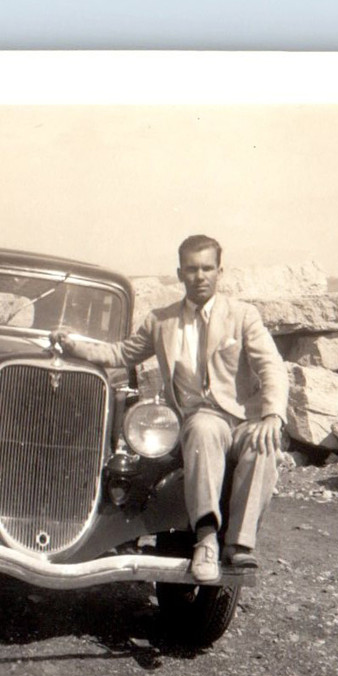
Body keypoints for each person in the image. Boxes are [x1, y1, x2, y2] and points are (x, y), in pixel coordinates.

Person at [60, 234, 287, 582]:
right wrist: (74, 346)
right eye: (192, 269)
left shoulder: (243, 316)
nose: (200, 276)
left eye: (207, 268)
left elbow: (271, 366)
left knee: (264, 444)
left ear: (220, 271)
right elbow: (121, 353)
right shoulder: (161, 321)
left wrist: (272, 416)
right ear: (180, 274)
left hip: (243, 420)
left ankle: (239, 546)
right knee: (203, 427)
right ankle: (206, 539)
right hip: (199, 419)